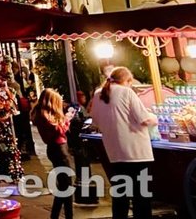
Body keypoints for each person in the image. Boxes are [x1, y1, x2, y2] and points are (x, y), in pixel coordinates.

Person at [88, 67, 156, 219]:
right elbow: (144, 118)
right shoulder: (126, 92)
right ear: (127, 81)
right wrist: (154, 117)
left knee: (121, 196)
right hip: (137, 153)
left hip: (114, 152)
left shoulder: (98, 94)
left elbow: (96, 122)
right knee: (141, 197)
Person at [31, 88, 75, 219]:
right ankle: (66, 215)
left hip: (55, 149)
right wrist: (67, 119)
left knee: (64, 186)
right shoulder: (46, 116)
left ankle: (57, 215)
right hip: (59, 149)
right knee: (66, 186)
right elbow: (59, 130)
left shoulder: (40, 113)